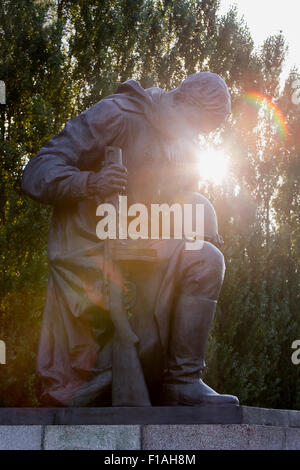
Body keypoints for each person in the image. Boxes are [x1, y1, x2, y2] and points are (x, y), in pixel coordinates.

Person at [21, 72, 239, 406]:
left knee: (206, 257)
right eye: (195, 125)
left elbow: (176, 201)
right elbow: (37, 171)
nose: (194, 136)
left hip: (142, 246)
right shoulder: (118, 113)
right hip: (93, 250)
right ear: (181, 101)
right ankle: (174, 380)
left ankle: (182, 381)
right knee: (204, 259)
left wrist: (202, 214)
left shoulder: (183, 144)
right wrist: (92, 182)